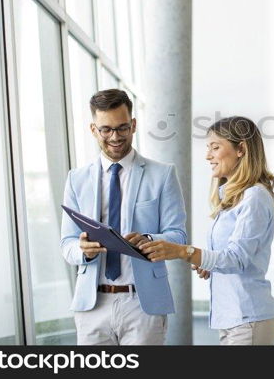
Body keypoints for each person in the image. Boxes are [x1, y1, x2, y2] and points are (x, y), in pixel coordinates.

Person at [60, 89, 187, 345]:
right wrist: (83, 250)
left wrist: (148, 239)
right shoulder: (77, 179)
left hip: (142, 303)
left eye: (122, 128)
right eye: (106, 130)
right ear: (94, 130)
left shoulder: (162, 175)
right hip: (92, 305)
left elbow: (178, 235)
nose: (115, 137)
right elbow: (67, 244)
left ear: (134, 125)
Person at [142, 116, 274, 345]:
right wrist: (208, 263)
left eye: (215, 147)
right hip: (233, 319)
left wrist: (182, 251)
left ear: (241, 149)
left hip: (248, 319)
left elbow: (236, 259)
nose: (208, 156)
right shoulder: (233, 199)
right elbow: (231, 257)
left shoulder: (254, 197)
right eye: (208, 148)